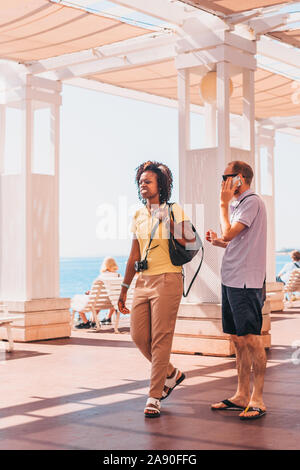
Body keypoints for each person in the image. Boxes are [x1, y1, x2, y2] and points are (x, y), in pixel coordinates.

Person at [118, 161, 195, 418]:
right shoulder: (138, 215)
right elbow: (133, 254)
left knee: (161, 339)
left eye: (148, 181)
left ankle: (154, 396)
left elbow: (190, 240)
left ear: (160, 186)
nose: (143, 184)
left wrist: (168, 222)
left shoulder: (174, 210)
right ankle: (172, 374)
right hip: (143, 281)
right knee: (139, 337)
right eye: (140, 180)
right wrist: (124, 288)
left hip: (168, 279)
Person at [206, 160, 267, 420]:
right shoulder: (238, 205)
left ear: (240, 179)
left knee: (251, 338)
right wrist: (217, 240)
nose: (223, 182)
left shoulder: (252, 201)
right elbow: (232, 240)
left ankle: (258, 399)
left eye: (226, 177)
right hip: (231, 278)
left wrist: (221, 204)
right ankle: (241, 395)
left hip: (245, 281)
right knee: (237, 339)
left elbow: (230, 234)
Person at [74, 257, 120, 329]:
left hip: (99, 302)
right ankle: (94, 321)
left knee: (76, 299)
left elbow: (99, 290)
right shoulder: (118, 276)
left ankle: (86, 322)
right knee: (98, 300)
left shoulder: (102, 276)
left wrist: (91, 293)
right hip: (112, 302)